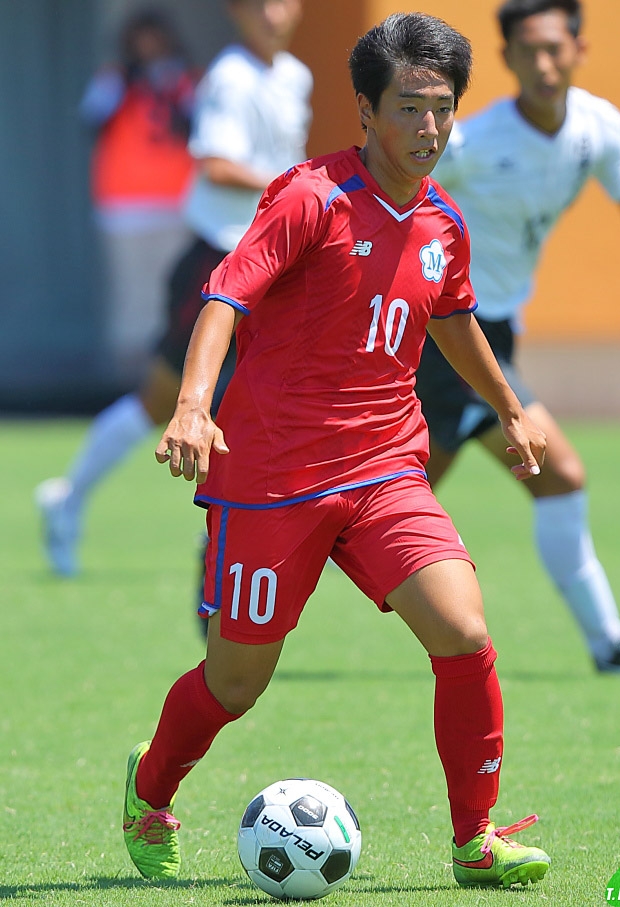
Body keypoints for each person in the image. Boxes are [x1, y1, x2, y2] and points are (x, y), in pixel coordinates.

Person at [121, 12, 552, 890]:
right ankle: (149, 787)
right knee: (235, 684)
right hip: (273, 477)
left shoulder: (443, 222)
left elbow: (452, 316)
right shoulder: (309, 198)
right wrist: (194, 404)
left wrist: (509, 407)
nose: (428, 127)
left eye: (442, 108)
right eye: (409, 107)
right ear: (365, 108)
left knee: (465, 632)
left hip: (387, 466)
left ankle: (475, 838)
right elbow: (222, 298)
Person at [418, 0, 620, 675]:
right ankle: (611, 647)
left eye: (554, 48)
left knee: (393, 493)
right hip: (451, 331)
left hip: (498, 330)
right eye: (527, 50)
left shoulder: (598, 127)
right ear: (505, 58)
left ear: (578, 50)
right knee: (558, 473)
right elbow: (396, 203)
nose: (543, 63)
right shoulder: (473, 144)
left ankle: (245, 550)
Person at [35, 0, 312, 578]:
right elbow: (215, 164)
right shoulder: (230, 77)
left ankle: (283, 531)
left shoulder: (294, 75)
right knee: (160, 402)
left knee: (283, 399)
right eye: (259, 3)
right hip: (218, 260)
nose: (273, 13)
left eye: (283, 0)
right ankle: (67, 500)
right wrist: (298, 186)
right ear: (236, 12)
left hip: (273, 264)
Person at [79, 9, 197, 384]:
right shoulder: (114, 79)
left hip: (175, 203)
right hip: (123, 205)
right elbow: (91, 120)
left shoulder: (187, 80)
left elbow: (198, 127)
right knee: (131, 293)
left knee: (173, 291)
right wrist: (129, 82)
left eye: (155, 40)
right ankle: (127, 377)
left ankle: (167, 376)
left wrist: (171, 87)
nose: (149, 48)